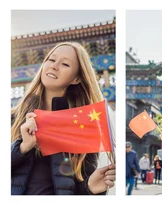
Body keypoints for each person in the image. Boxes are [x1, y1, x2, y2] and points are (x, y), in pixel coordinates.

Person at [11, 42, 116, 195]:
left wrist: (90, 188)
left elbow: (78, 188)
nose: (54, 66)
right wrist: (22, 148)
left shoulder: (83, 126)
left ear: (76, 79)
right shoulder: (13, 117)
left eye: (65, 64)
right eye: (51, 60)